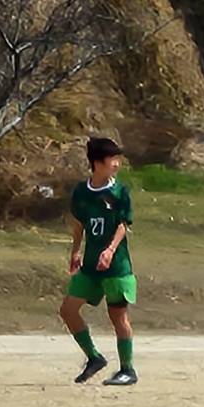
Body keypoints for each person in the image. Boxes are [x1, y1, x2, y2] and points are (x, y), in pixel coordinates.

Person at [59, 137, 137, 386]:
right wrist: (75, 252)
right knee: (68, 310)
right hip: (91, 265)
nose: (117, 164)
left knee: (118, 316)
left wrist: (110, 250)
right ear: (97, 163)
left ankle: (127, 370)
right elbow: (79, 224)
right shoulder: (81, 192)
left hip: (116, 266)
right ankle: (94, 357)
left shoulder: (119, 192)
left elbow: (123, 224)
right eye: (112, 159)